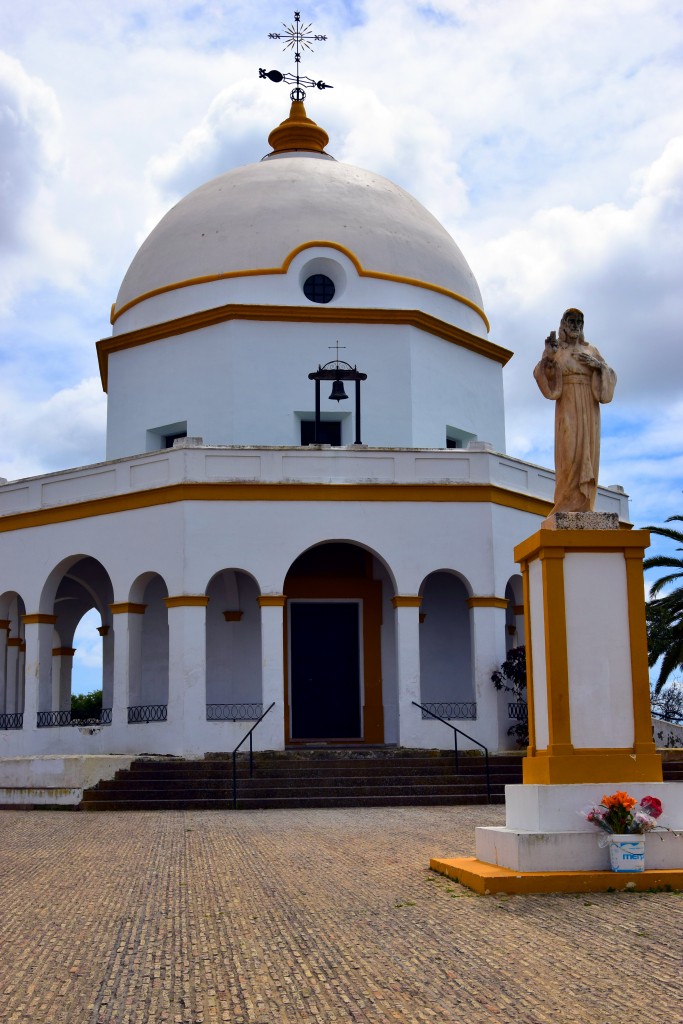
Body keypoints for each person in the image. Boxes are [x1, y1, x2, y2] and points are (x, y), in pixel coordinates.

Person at [533, 308, 616, 515]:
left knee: (588, 451)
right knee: (568, 453)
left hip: (589, 408)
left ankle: (586, 504)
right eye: (571, 321)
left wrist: (598, 366)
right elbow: (542, 374)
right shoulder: (557, 350)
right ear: (563, 324)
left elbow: (610, 377)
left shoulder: (592, 351)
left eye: (579, 322)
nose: (576, 326)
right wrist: (549, 359)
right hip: (567, 404)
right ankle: (566, 503)